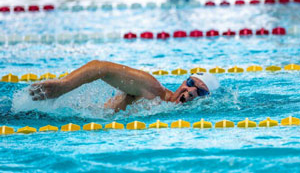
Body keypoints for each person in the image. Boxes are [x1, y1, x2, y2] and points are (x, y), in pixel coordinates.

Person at [29, 60, 220, 112]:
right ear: (183, 82)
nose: (190, 91)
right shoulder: (152, 90)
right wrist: (64, 86)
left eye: (200, 91)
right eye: (190, 83)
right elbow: (100, 67)